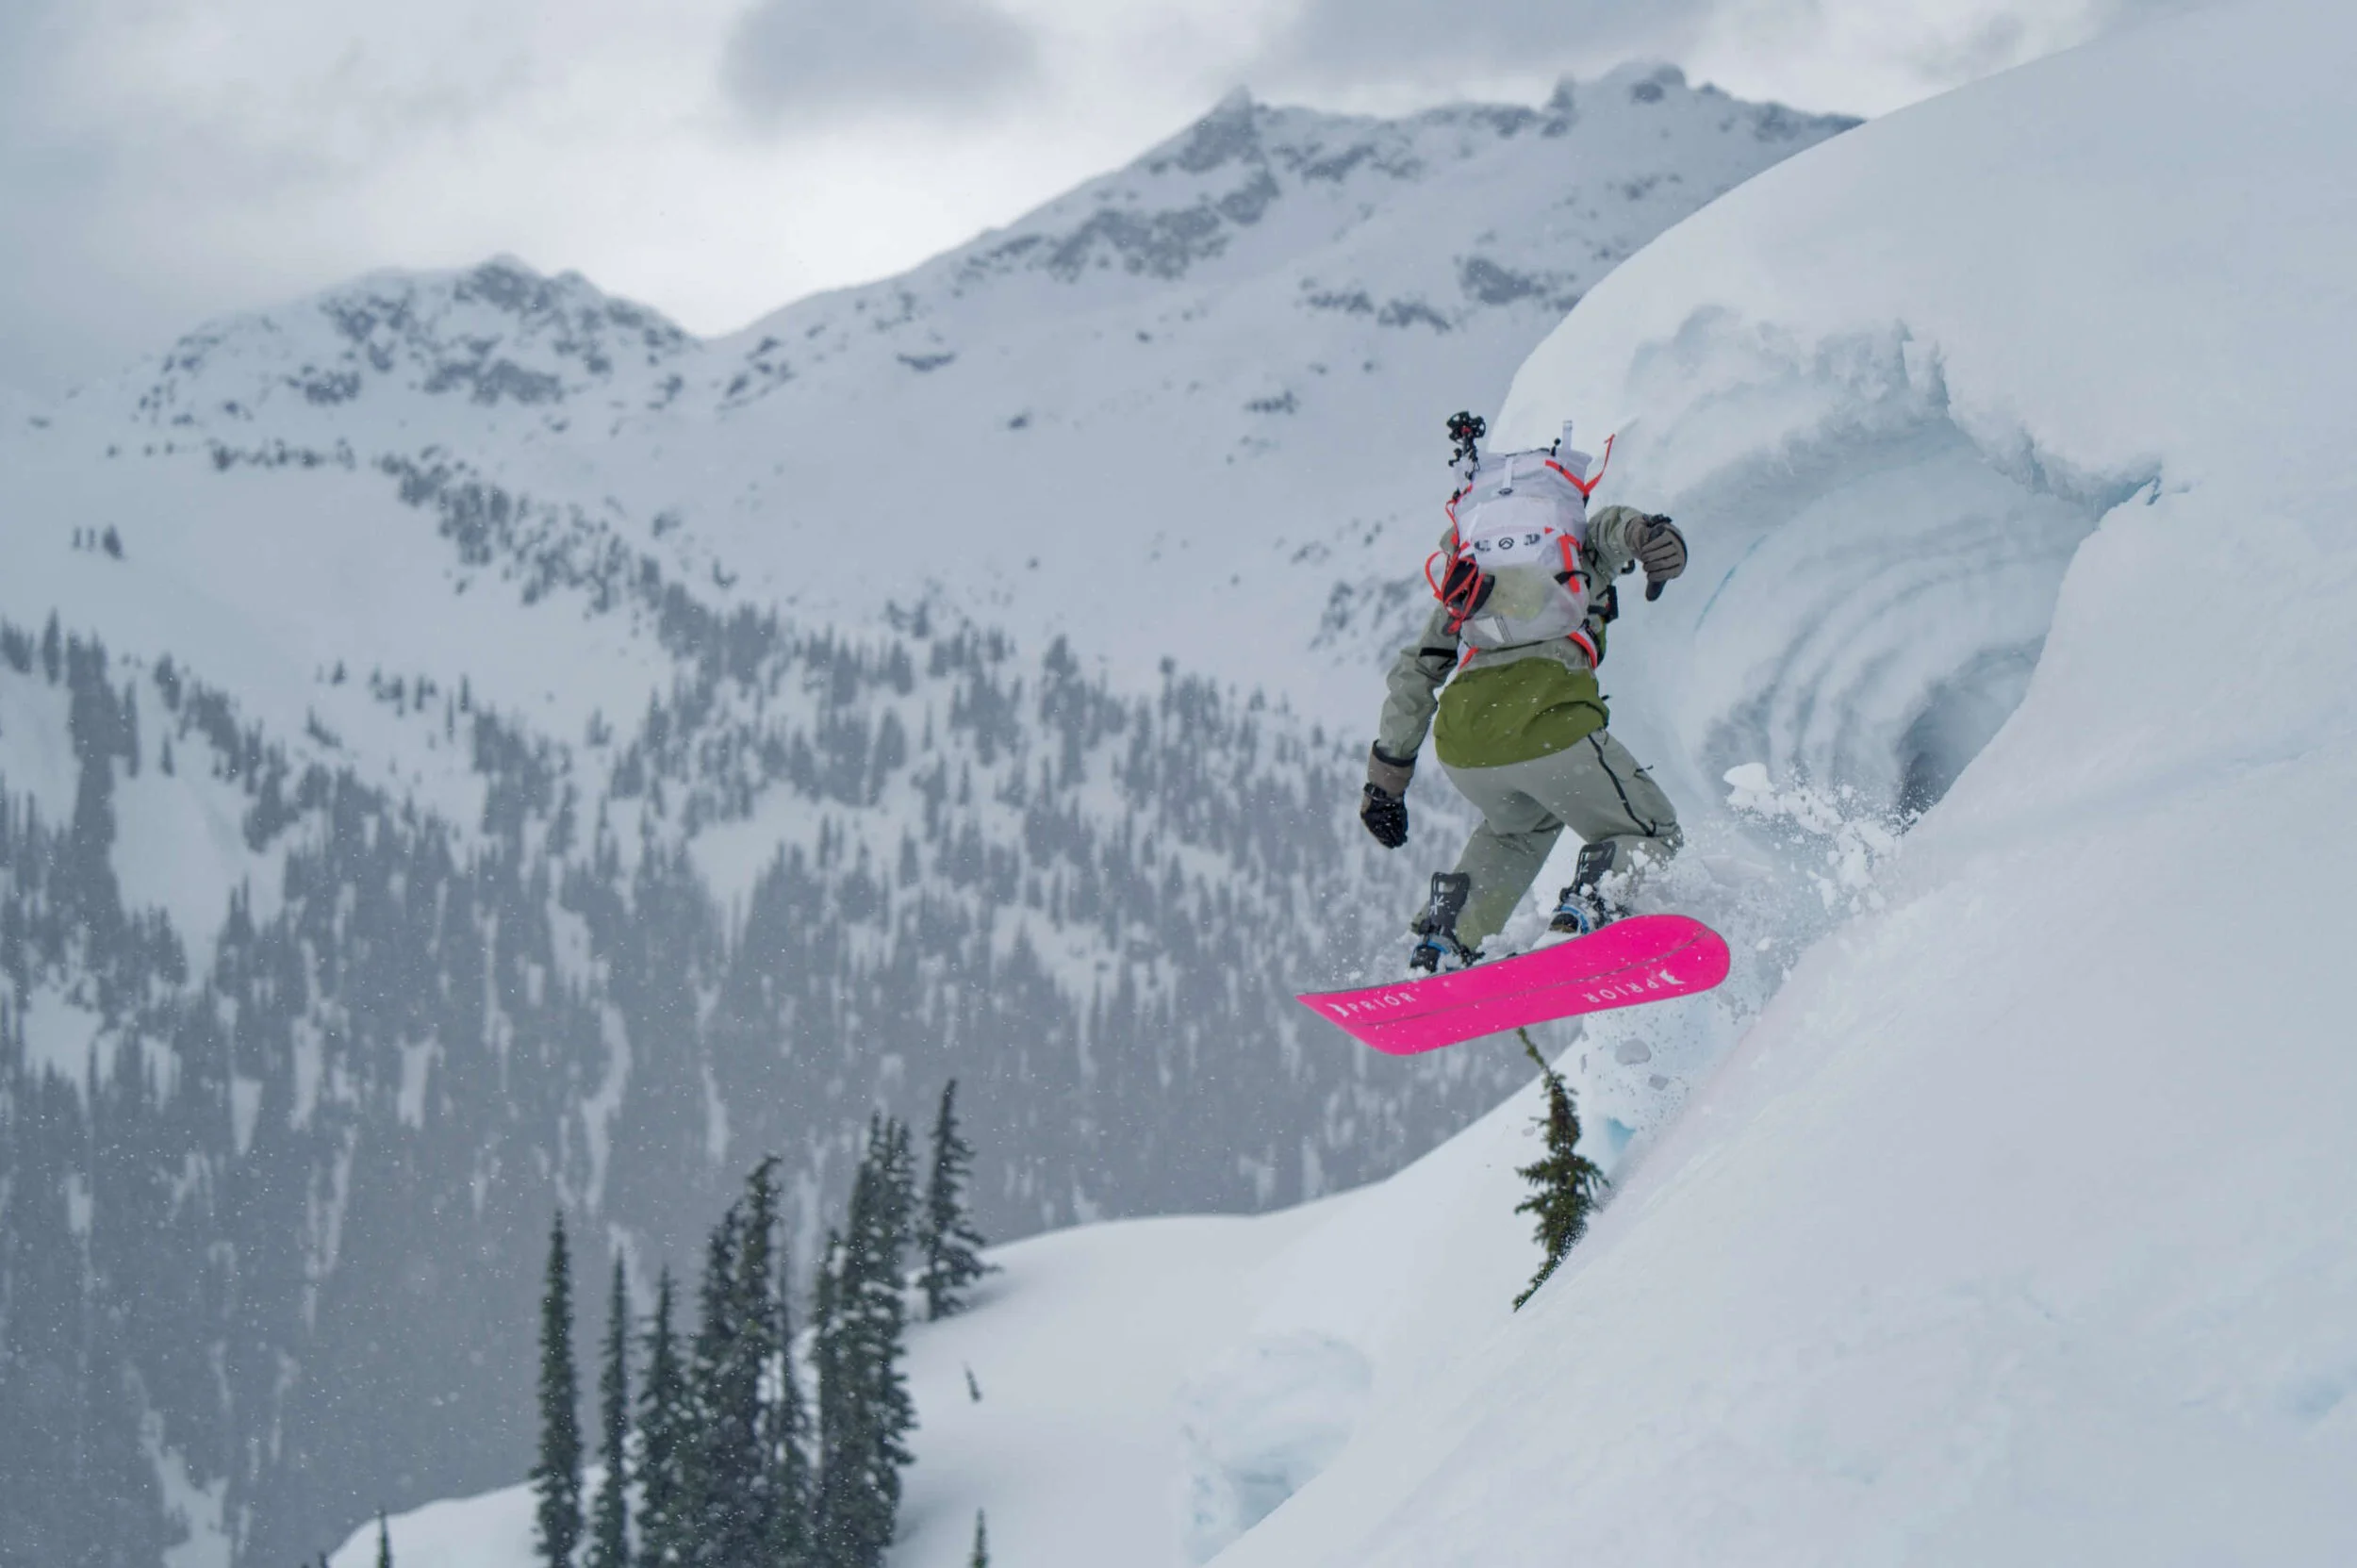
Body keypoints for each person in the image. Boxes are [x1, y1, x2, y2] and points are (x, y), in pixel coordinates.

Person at [1360, 413, 1688, 971]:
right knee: (1652, 832)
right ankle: (1591, 904)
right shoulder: (1579, 549)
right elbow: (1621, 529)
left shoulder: (1467, 591)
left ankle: (1443, 938)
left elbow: (1416, 674)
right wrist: (1655, 539)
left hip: (1464, 746)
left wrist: (1385, 786)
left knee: (1519, 829)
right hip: (1549, 723)